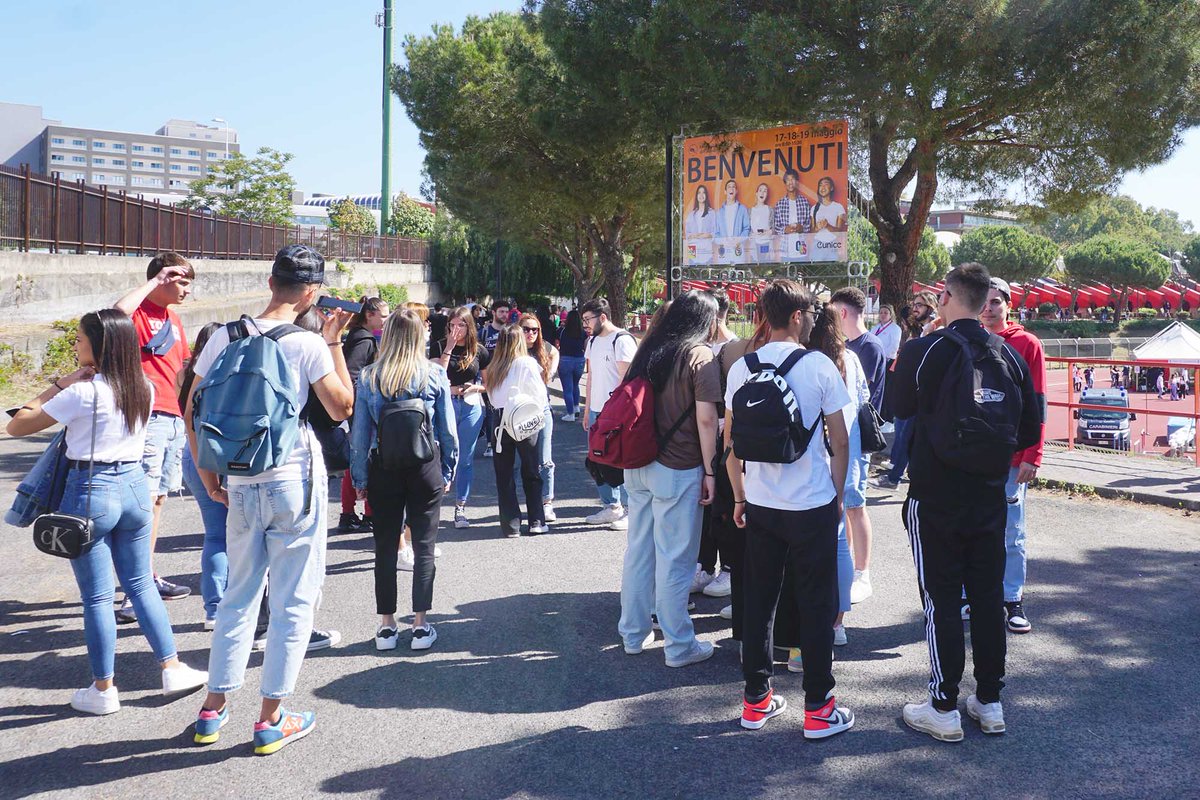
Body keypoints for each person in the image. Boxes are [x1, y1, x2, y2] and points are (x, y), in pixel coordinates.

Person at [186, 245, 355, 755]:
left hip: (237, 475)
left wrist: (208, 473)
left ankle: (212, 711)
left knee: (238, 596)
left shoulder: (221, 335)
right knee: (293, 600)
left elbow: (192, 407)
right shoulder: (306, 344)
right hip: (291, 474)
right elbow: (341, 406)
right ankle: (270, 718)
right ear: (311, 292)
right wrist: (333, 344)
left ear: (269, 282)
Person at [7, 309, 209, 715]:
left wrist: (60, 383)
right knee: (140, 584)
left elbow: (17, 425)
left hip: (90, 490)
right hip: (134, 487)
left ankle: (103, 690)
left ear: (98, 346)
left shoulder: (82, 392)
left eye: (80, 340)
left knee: (98, 597)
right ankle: (171, 667)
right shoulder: (145, 388)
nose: (75, 345)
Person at [891, 263, 1040, 742]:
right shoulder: (1011, 355)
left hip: (935, 493)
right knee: (988, 598)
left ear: (947, 298)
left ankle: (943, 705)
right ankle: (990, 701)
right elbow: (1029, 430)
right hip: (989, 495)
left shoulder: (925, 348)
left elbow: (896, 406)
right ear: (985, 301)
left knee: (941, 602)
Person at [724, 280, 855, 739]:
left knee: (760, 602)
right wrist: (837, 496)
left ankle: (755, 702)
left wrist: (739, 498)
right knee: (816, 605)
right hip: (811, 503)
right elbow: (839, 440)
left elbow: (731, 447)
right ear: (797, 316)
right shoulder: (819, 365)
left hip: (761, 504)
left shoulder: (742, 368)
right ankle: (819, 709)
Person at [617, 290, 721, 667]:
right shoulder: (699, 355)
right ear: (706, 321)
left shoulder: (649, 349)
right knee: (676, 559)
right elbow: (707, 419)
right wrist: (711, 470)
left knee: (639, 551)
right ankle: (679, 645)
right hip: (678, 467)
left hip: (637, 462)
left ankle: (632, 632)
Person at [351, 309, 457, 652]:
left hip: (385, 466)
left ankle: (386, 626)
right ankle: (421, 625)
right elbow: (448, 431)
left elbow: (360, 435)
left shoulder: (369, 377)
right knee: (424, 545)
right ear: (418, 337)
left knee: (384, 546)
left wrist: (360, 478)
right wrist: (449, 469)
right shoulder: (433, 374)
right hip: (425, 464)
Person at [774, 298, 868, 659]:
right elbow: (861, 404)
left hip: (812, 463)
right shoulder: (850, 360)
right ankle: (838, 622)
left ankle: (799, 633)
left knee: (804, 555)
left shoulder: (807, 363)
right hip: (845, 457)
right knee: (838, 543)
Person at [112, 252, 196, 624]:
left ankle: (146, 577)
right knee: (142, 505)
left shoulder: (174, 320)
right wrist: (154, 280)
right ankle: (134, 590)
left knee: (157, 501)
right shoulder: (138, 314)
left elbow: (182, 369)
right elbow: (115, 314)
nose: (187, 289)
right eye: (180, 281)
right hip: (148, 417)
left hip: (172, 418)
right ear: (161, 279)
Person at [980, 277, 1045, 635]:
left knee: (1012, 533)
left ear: (1008, 304)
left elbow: (1038, 404)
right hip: (974, 457)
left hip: (1011, 457)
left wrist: (1032, 455)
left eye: (995, 303)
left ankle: (1012, 600)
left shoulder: (1027, 343)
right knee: (969, 528)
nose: (989, 309)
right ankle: (967, 595)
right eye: (984, 302)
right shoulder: (968, 340)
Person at [828, 288, 885, 606]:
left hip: (855, 440)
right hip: (845, 440)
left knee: (854, 504)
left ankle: (863, 572)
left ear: (843, 313)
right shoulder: (845, 349)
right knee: (846, 507)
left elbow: (866, 401)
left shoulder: (868, 347)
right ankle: (848, 564)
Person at [177, 323, 227, 630]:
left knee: (213, 534)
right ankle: (222, 604)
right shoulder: (223, 375)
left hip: (189, 452)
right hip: (216, 451)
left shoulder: (185, 374)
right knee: (229, 535)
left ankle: (212, 607)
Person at [692, 288, 738, 599]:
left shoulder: (733, 347)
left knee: (725, 506)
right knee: (707, 506)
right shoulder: (700, 346)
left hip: (726, 436)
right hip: (704, 436)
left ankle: (729, 569)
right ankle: (705, 565)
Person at [485, 325, 549, 537]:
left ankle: (511, 525)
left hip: (500, 420)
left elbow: (492, 398)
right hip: (523, 417)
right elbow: (540, 394)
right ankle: (536, 521)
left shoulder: (495, 365)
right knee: (531, 471)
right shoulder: (527, 363)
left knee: (504, 474)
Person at [870, 290, 938, 491]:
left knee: (905, 433)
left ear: (931, 308)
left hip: (919, 392)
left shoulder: (934, 330)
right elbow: (904, 313)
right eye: (915, 304)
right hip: (908, 386)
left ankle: (894, 477)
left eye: (919, 305)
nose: (914, 308)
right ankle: (898, 472)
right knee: (903, 433)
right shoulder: (919, 329)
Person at [431, 306, 491, 529]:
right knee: (440, 454)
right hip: (445, 405)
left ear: (469, 326)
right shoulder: (438, 346)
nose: (456, 329)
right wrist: (448, 347)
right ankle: (434, 505)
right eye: (452, 325)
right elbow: (437, 376)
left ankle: (460, 507)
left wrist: (475, 387)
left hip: (470, 406)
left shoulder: (480, 351)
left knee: (465, 458)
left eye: (461, 325)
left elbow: (488, 384)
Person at [581, 297, 638, 530]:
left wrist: (620, 413)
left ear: (602, 317)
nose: (585, 324)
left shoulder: (622, 340)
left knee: (620, 461)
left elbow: (628, 381)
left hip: (616, 414)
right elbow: (591, 377)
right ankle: (610, 506)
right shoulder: (592, 342)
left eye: (588, 319)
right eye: (583, 320)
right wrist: (586, 410)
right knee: (597, 460)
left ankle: (630, 509)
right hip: (596, 411)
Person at [338, 296, 389, 533]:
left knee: (356, 459)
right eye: (384, 316)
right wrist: (364, 401)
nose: (386, 320)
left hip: (356, 405)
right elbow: (352, 372)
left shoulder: (360, 336)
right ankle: (366, 514)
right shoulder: (365, 339)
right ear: (370, 315)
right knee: (365, 459)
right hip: (361, 407)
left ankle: (350, 513)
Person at [520, 312, 561, 523]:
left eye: (534, 330)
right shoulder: (514, 350)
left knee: (545, 459)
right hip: (521, 411)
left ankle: (547, 502)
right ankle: (533, 503)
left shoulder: (543, 349)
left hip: (543, 408)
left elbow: (555, 352)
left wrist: (551, 372)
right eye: (526, 329)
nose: (530, 333)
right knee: (528, 460)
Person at [556, 309, 587, 422]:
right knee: (575, 385)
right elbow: (585, 346)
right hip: (579, 360)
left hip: (565, 360)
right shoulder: (582, 332)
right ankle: (576, 407)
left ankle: (570, 413)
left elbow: (557, 344)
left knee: (567, 388)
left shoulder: (562, 331)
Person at [772, 169, 812, 235]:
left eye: (793, 179)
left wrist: (802, 228)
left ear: (797, 182)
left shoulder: (805, 202)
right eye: (788, 180)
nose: (790, 182)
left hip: (801, 243)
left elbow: (809, 225)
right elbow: (776, 227)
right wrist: (785, 230)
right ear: (785, 183)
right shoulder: (780, 204)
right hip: (785, 243)